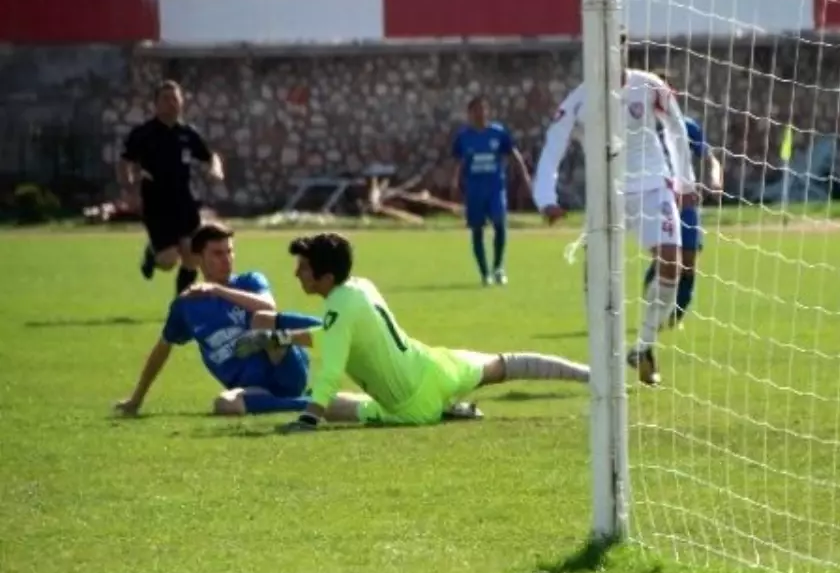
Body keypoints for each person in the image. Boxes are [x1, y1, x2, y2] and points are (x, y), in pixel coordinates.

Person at [232, 233, 591, 433]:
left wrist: (308, 419)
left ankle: (445, 412)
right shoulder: (359, 287)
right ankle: (589, 375)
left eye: (304, 268)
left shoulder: (337, 308)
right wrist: (280, 338)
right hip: (434, 367)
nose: (297, 274)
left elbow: (330, 366)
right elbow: (335, 336)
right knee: (506, 364)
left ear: (325, 278)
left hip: (407, 408)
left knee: (331, 403)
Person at [533, 63, 697, 386]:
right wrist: (545, 198)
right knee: (598, 271)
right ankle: (602, 355)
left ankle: (644, 347)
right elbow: (554, 144)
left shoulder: (649, 85)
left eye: (621, 43)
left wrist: (686, 183)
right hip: (607, 192)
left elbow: (676, 127)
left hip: (653, 185)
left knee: (671, 263)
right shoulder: (580, 100)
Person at [113, 222, 320, 417]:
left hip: (284, 368)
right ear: (198, 259)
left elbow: (269, 307)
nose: (227, 259)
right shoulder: (186, 306)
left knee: (263, 319)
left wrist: (218, 291)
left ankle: (305, 396)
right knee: (225, 404)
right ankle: (308, 403)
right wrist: (136, 399)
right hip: (251, 388)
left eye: (229, 251)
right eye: (218, 253)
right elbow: (162, 348)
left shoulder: (249, 281)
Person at [118, 80, 224, 295]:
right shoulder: (144, 133)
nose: (171, 103)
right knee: (167, 261)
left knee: (192, 256)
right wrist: (128, 186)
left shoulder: (187, 133)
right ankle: (152, 253)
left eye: (175, 98)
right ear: (156, 104)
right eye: (165, 99)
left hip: (185, 201)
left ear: (182, 102)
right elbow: (125, 161)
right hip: (156, 203)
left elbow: (210, 156)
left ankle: (181, 304)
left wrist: (216, 169)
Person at [643, 69, 723, 329]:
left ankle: (676, 314)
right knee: (667, 259)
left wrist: (714, 178)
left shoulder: (686, 126)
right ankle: (654, 309)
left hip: (685, 204)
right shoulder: (639, 129)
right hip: (657, 202)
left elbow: (709, 157)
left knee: (688, 262)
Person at [451, 96, 532, 286]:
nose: (481, 113)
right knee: (477, 229)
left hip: (495, 187)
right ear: (470, 114)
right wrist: (454, 182)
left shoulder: (498, 133)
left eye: (484, 109)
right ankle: (484, 273)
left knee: (499, 224)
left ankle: (498, 268)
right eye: (476, 110)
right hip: (474, 189)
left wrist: (525, 176)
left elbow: (513, 154)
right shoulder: (464, 137)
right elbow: (458, 162)